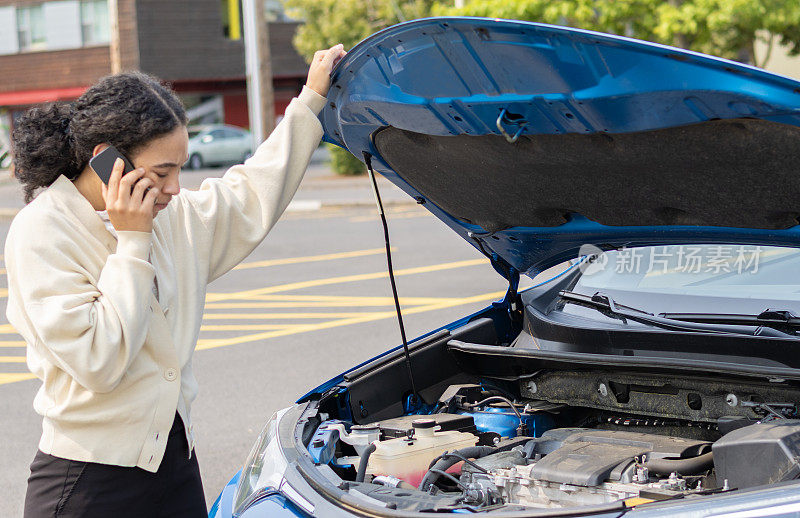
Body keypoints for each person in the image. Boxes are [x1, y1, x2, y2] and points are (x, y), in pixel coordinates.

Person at [7, 43, 347, 518]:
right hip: (88, 480)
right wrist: (131, 243)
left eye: (180, 169)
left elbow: (250, 193)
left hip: (174, 467)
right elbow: (99, 362)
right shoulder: (43, 231)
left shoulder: (172, 216)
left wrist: (310, 101)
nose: (174, 189)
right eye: (162, 171)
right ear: (108, 161)